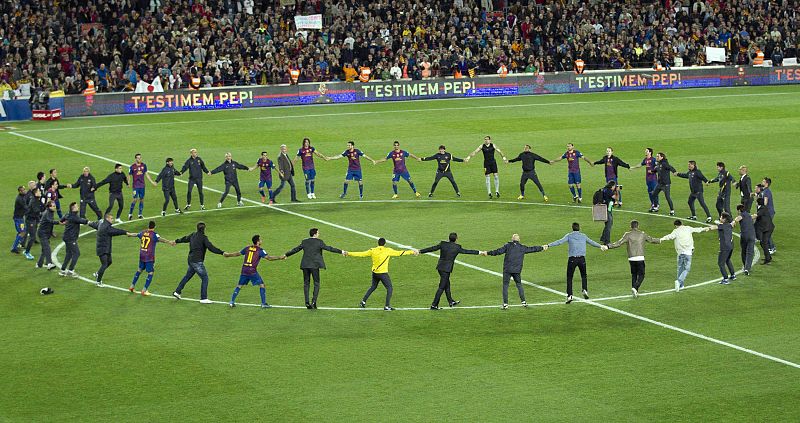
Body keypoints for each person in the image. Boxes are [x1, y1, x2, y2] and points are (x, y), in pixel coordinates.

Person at [347, 237, 418, 311]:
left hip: (375, 273)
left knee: (373, 287)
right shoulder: (388, 250)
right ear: (384, 244)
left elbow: (361, 254)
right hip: (383, 274)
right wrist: (412, 252)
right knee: (389, 288)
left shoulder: (372, 250)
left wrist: (348, 253)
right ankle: (387, 306)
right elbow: (400, 253)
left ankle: (363, 301)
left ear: (378, 243)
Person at [284, 228, 345, 309]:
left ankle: (307, 302)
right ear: (315, 234)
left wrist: (286, 255)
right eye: (318, 233)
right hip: (314, 265)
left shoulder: (304, 241)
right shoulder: (319, 242)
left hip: (305, 265)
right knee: (316, 283)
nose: (319, 234)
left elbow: (296, 249)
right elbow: (329, 248)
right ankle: (313, 302)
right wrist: (341, 251)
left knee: (306, 283)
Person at [483, 233, 548, 309]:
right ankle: (524, 302)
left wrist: (487, 253)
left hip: (507, 269)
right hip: (517, 270)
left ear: (512, 239)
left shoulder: (508, 246)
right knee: (519, 285)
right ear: (519, 240)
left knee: (505, 286)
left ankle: (505, 304)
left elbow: (498, 251)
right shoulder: (522, 247)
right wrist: (542, 248)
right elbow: (532, 249)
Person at [547, 223, 607, 303]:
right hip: (582, 259)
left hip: (572, 259)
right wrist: (601, 246)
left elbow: (559, 242)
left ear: (572, 228)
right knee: (583, 275)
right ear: (579, 228)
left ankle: (570, 296)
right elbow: (591, 242)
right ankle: (585, 290)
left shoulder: (569, 236)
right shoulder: (583, 236)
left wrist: (548, 245)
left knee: (569, 277)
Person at [419, 232, 480, 309]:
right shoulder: (457, 247)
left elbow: (432, 248)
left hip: (440, 267)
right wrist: (480, 252)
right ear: (456, 239)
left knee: (447, 284)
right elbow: (468, 251)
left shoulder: (443, 244)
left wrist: (420, 251)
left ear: (449, 238)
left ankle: (451, 301)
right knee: (441, 287)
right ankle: (434, 305)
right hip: (446, 269)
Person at [173, 222, 228, 303]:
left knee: (188, 276)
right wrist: (222, 252)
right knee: (205, 278)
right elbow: (211, 247)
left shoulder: (193, 235)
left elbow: (184, 239)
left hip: (191, 260)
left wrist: (176, 241)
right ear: (204, 229)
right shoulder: (204, 238)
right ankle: (203, 298)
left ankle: (177, 292)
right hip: (197, 261)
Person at [224, 234, 285, 308]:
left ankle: (231, 302)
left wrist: (228, 255)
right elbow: (269, 258)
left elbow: (238, 253)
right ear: (258, 242)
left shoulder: (247, 248)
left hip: (244, 270)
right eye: (260, 239)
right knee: (262, 285)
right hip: (252, 271)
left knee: (239, 285)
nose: (262, 240)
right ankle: (263, 304)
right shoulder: (260, 250)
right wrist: (279, 257)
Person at [607, 220, 661, 298]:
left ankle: (635, 291)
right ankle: (635, 288)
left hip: (631, 258)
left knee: (634, 274)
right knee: (641, 275)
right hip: (640, 257)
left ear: (630, 226)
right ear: (638, 226)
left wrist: (608, 246)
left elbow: (619, 243)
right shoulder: (642, 234)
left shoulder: (627, 235)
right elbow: (651, 240)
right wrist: (660, 240)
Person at [88, 214, 137, 286]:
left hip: (105, 248)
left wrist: (89, 223)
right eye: (111, 218)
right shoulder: (106, 227)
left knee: (109, 262)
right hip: (103, 248)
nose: (112, 220)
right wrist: (125, 232)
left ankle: (98, 273)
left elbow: (95, 225)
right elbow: (115, 231)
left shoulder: (101, 223)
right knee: (104, 264)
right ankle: (98, 282)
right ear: (107, 219)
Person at [129, 220, 175, 296]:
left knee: (139, 270)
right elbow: (161, 239)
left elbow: (136, 234)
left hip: (142, 254)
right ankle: (144, 290)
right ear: (154, 226)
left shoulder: (143, 232)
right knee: (151, 272)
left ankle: (132, 286)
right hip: (149, 256)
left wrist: (129, 234)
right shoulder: (154, 234)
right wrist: (169, 242)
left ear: (148, 226)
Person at [660, 220, 707, 291]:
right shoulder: (688, 228)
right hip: (688, 253)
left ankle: (681, 285)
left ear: (676, 225)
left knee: (680, 268)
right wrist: (705, 228)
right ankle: (679, 281)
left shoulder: (676, 231)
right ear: (682, 224)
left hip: (680, 253)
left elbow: (670, 237)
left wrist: (661, 239)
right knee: (687, 269)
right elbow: (698, 230)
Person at [704, 212, 737, 285]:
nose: (720, 218)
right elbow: (729, 224)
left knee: (721, 263)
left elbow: (715, 227)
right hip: (731, 246)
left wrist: (708, 228)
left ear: (724, 219)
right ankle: (733, 275)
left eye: (721, 217)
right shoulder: (729, 225)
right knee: (727, 260)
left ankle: (725, 279)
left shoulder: (723, 226)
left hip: (725, 247)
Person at [59, 202, 89, 278]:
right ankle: (70, 271)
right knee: (77, 253)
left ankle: (62, 270)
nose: (78, 207)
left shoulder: (68, 214)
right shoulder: (74, 217)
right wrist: (90, 222)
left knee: (69, 254)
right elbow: (83, 221)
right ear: (73, 209)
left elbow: (61, 220)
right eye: (76, 207)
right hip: (70, 238)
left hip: (67, 237)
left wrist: (64, 223)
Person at [127, 153, 157, 220]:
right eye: (138, 158)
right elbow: (129, 175)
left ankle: (140, 214)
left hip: (142, 186)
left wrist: (152, 182)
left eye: (140, 158)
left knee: (142, 199)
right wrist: (128, 183)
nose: (139, 159)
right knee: (135, 199)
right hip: (135, 186)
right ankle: (130, 214)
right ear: (135, 159)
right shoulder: (132, 167)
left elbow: (146, 174)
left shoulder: (144, 165)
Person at [35, 201, 61, 270]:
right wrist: (59, 222)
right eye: (53, 206)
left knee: (44, 250)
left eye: (55, 206)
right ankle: (49, 263)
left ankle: (39, 264)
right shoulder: (47, 213)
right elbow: (50, 221)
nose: (55, 207)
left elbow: (49, 224)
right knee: (47, 248)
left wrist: (51, 232)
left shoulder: (50, 212)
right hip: (42, 233)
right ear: (49, 207)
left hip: (45, 233)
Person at [733, 204, 756, 275]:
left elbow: (738, 219)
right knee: (750, 253)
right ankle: (747, 268)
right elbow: (754, 216)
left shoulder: (741, 215)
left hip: (745, 235)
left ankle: (744, 265)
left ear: (739, 210)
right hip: (752, 235)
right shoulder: (749, 215)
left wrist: (733, 222)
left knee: (744, 251)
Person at [22, 188, 44, 260]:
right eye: (39, 191)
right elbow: (36, 211)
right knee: (33, 237)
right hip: (30, 220)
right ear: (35, 193)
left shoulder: (37, 199)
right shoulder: (34, 201)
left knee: (33, 236)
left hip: (33, 219)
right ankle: (27, 252)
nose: (40, 192)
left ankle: (25, 248)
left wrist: (45, 203)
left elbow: (43, 208)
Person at [753, 197, 774, 265]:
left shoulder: (762, 209)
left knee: (764, 243)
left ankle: (768, 259)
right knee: (763, 243)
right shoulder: (763, 208)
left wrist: (746, 217)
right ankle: (768, 257)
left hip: (767, 229)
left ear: (758, 203)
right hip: (766, 228)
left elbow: (756, 215)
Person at [758, 177, 775, 254]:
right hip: (767, 213)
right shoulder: (765, 190)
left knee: (766, 230)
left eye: (763, 181)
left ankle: (772, 247)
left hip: (768, 213)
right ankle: (769, 246)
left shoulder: (766, 192)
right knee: (764, 229)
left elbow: (765, 203)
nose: (762, 182)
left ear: (767, 184)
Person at [12, 185, 27, 254]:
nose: (25, 190)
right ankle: (14, 248)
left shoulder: (22, 196)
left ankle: (17, 244)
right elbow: (26, 207)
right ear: (20, 191)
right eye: (23, 190)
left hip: (20, 218)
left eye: (24, 189)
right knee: (22, 232)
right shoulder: (19, 199)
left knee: (20, 232)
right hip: (18, 219)